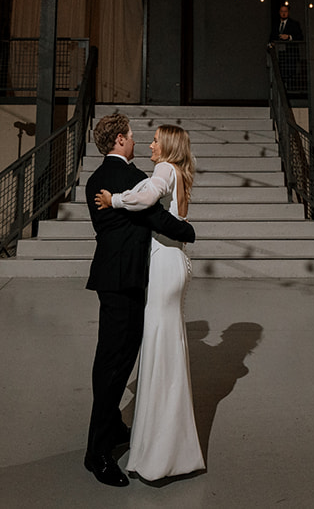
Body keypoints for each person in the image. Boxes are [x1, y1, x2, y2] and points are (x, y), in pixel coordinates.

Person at [81, 113, 196, 488]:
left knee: (113, 356)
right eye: (131, 136)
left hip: (108, 277)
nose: (137, 142)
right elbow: (159, 220)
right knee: (116, 363)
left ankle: (112, 425)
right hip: (126, 279)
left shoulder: (95, 179)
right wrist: (187, 231)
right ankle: (96, 453)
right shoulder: (133, 179)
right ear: (118, 141)